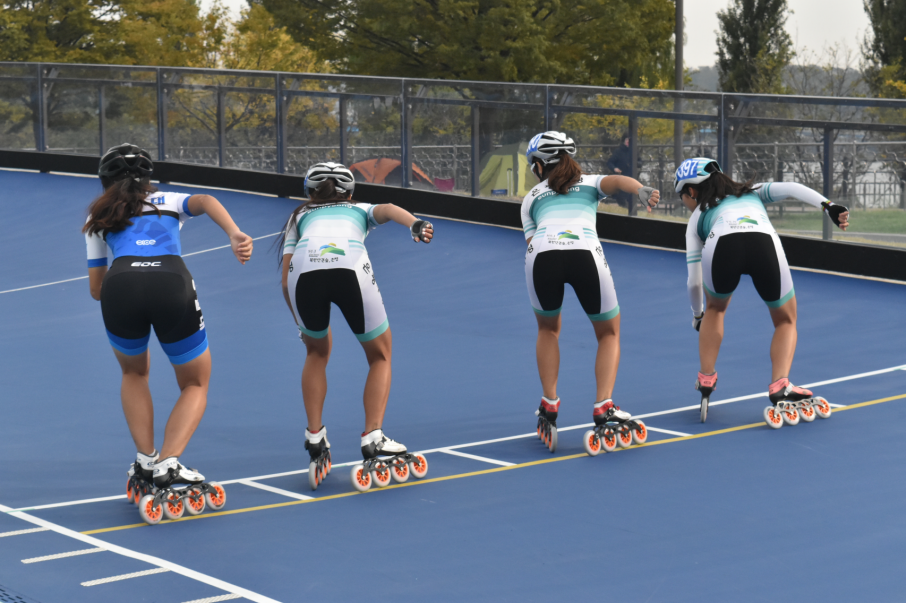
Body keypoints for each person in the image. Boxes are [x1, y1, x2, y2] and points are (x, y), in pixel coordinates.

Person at [84, 143, 253, 522]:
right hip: (170, 282)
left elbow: (96, 289)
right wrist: (234, 233)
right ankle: (169, 463)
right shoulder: (169, 200)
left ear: (104, 180)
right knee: (195, 382)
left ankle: (146, 461)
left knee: (133, 373)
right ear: (148, 178)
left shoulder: (98, 215)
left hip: (119, 286)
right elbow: (206, 200)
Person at [280, 162, 433, 491]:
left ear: (310, 193)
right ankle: (373, 437)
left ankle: (315, 437)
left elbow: (284, 279)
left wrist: (299, 323)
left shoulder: (299, 216)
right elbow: (388, 208)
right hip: (349, 267)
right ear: (349, 193)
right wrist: (415, 224)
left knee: (316, 353)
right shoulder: (360, 209)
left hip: (304, 275)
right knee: (380, 354)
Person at [676, 157, 849, 426]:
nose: (685, 204)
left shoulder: (697, 217)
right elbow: (792, 187)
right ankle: (780, 384)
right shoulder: (752, 191)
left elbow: (694, 283)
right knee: (785, 319)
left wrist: (698, 315)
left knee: (715, 310)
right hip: (763, 243)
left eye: (682, 198)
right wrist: (829, 206)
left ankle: (706, 379)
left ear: (691, 191)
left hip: (721, 245)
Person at [521, 131, 660, 453]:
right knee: (609, 332)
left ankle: (549, 403)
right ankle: (603, 405)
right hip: (584, 251)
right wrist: (640, 190)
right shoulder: (589, 182)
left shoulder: (531, 198)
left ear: (540, 166)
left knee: (548, 329)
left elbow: (531, 242)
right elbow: (617, 181)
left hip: (540, 253)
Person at [605, 134, 641, 211]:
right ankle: (625, 210)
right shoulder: (618, 151)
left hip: (632, 178)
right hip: (621, 177)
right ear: (624, 140)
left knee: (631, 197)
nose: (628, 142)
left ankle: (631, 211)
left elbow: (640, 162)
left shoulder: (635, 151)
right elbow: (610, 162)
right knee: (621, 197)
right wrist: (614, 168)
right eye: (627, 139)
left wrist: (636, 163)